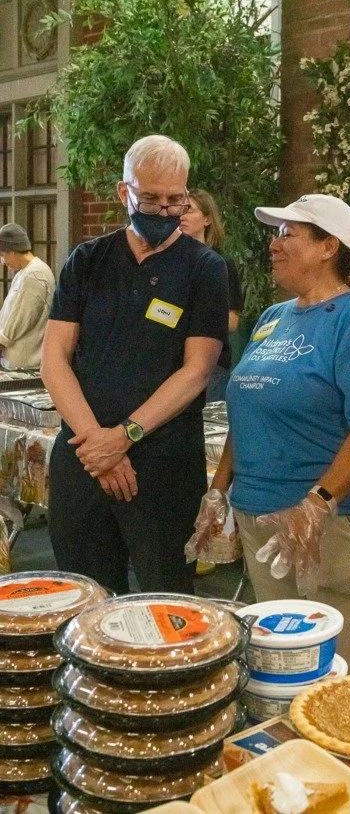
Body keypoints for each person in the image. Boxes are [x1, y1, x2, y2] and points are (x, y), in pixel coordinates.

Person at [211, 194, 350, 674]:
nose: (274, 245)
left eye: (288, 234)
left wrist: (317, 503)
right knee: (284, 671)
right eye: (275, 234)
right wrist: (217, 491)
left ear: (328, 247)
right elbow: (247, 408)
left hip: (340, 527)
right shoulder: (272, 318)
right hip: (266, 525)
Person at [42, 135, 229, 595]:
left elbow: (197, 370)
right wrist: (98, 446)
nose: (164, 211)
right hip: (84, 458)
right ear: (124, 193)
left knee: (164, 597)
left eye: (175, 201)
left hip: (161, 463)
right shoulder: (87, 260)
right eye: (151, 199)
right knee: (82, 596)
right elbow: (54, 358)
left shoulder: (206, 269)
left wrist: (124, 436)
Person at [180, 189, 243, 402]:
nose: (182, 215)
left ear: (207, 219)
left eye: (189, 210)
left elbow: (232, 321)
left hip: (211, 363)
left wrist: (186, 319)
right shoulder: (168, 263)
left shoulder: (221, 263)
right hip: (172, 363)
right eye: (179, 209)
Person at [0, 224, 55, 371]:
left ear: (13, 251)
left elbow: (21, 319)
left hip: (25, 366)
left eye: (3, 255)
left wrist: (2, 341)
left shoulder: (34, 275)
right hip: (15, 363)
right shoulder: (24, 273)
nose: (3, 262)